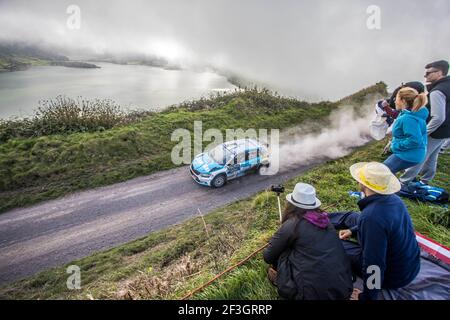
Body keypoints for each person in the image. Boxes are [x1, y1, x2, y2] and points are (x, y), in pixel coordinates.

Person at [328, 162, 421, 300]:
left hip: (394, 276)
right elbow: (384, 225)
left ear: (364, 184)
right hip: (411, 266)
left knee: (335, 244)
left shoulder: (371, 217)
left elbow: (374, 264)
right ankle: (323, 218)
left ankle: (315, 224)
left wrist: (367, 297)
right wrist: (353, 231)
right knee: (354, 218)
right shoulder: (395, 200)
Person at [263, 183, 353, 300]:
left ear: (291, 204)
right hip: (343, 288)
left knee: (283, 253)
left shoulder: (292, 225)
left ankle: (285, 285)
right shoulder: (326, 221)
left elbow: (268, 256)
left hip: (313, 295)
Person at [400, 60, 450, 184]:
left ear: (439, 73)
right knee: (432, 156)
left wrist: (424, 132)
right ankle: (425, 179)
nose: (425, 76)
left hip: (436, 130)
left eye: (428, 73)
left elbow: (438, 117)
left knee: (419, 155)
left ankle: (404, 181)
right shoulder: (447, 86)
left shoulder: (437, 91)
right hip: (445, 130)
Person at [383, 87, 429, 174]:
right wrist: (392, 142)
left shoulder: (408, 118)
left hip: (409, 155)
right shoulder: (410, 113)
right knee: (386, 172)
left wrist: (395, 146)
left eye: (395, 98)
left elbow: (415, 140)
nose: (394, 101)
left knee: (382, 172)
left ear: (403, 101)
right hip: (413, 153)